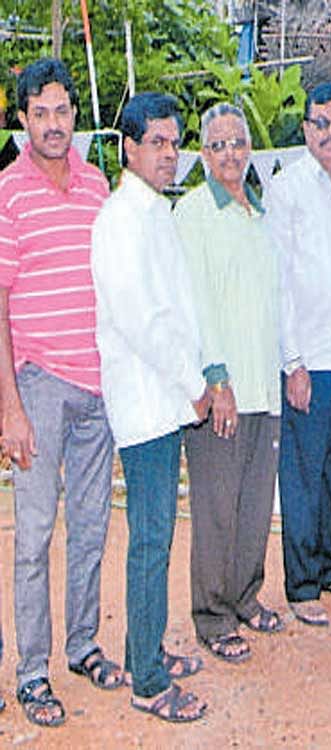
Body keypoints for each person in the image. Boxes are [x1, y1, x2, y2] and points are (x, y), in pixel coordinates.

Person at [0, 57, 122, 728]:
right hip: (39, 386)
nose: (52, 124)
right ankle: (32, 673)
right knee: (34, 535)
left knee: (92, 527)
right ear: (22, 120)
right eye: (38, 112)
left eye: (61, 111)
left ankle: (82, 646)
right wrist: (10, 407)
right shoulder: (8, 192)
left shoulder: (98, 183)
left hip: (97, 385)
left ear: (76, 115)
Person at [92, 91, 210, 723]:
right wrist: (193, 383)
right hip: (147, 402)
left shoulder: (153, 211)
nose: (170, 154)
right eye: (157, 143)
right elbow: (142, 320)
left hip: (165, 399)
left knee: (159, 536)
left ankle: (149, 645)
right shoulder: (120, 219)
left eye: (174, 142)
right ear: (128, 148)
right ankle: (147, 679)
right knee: (152, 539)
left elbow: (177, 308)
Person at [174, 103, 283, 661]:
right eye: (218, 145)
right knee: (217, 508)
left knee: (254, 504)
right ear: (202, 154)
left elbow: (270, 303)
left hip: (265, 386)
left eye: (238, 143)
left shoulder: (258, 213)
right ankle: (213, 617)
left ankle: (245, 597)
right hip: (224, 390)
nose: (231, 154)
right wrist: (218, 381)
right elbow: (196, 306)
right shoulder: (193, 214)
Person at [266, 82, 331, 627]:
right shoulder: (287, 190)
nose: (330, 133)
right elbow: (279, 281)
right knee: (303, 476)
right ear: (305, 129)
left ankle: (328, 564)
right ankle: (302, 582)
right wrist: (293, 361)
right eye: (320, 123)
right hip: (310, 363)